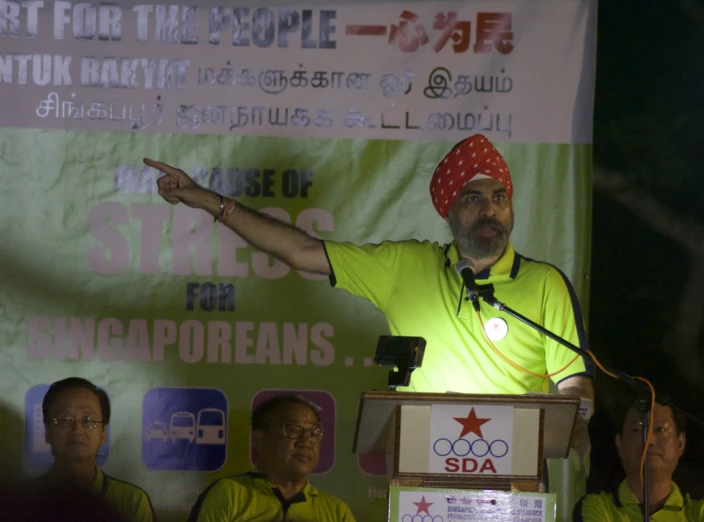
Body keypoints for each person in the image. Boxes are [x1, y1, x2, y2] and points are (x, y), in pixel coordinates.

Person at [145, 133, 595, 439]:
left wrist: (573, 417)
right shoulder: (407, 265)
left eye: (499, 197)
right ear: (448, 211)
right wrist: (208, 200)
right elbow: (302, 252)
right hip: (426, 479)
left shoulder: (544, 284)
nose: (490, 209)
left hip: (512, 484)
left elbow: (574, 385)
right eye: (473, 197)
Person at [0, 377, 156, 522]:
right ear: (47, 432)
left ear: (103, 433)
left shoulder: (132, 501)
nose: (77, 429)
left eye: (87, 420)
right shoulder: (20, 501)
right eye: (64, 419)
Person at [187, 395, 355, 521]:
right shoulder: (229, 494)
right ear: (260, 440)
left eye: (313, 433)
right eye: (293, 430)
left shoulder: (336, 512)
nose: (306, 442)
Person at [572, 398, 704, 521]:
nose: (649, 440)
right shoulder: (596, 507)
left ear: (680, 443)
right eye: (637, 430)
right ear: (620, 444)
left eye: (660, 430)